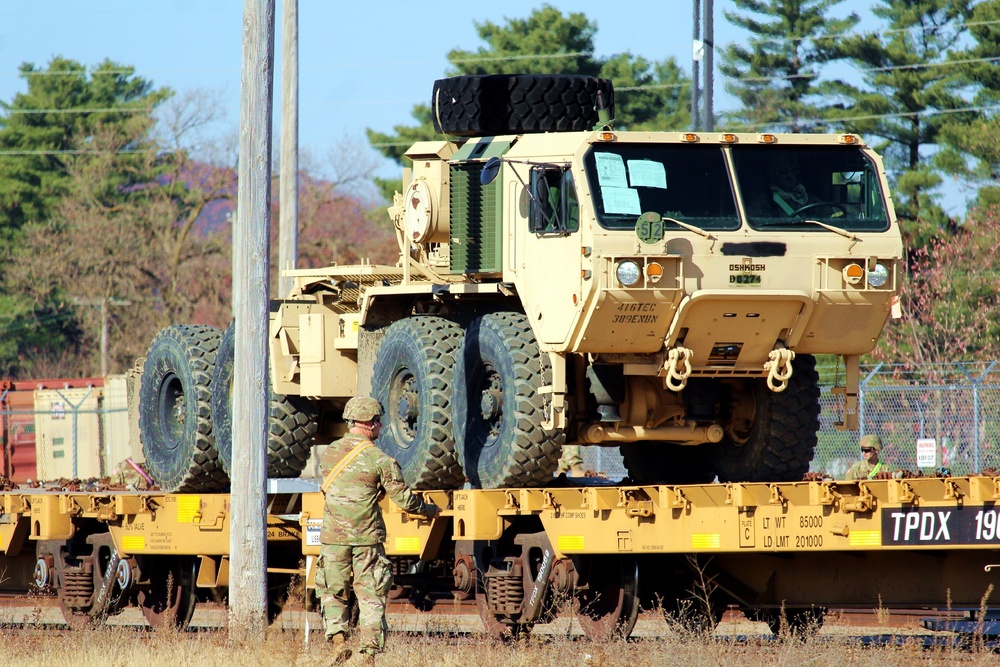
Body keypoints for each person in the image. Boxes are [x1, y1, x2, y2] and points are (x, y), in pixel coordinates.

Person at [315, 396, 440, 665]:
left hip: (332, 538)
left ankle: (338, 640)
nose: (381, 426)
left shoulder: (330, 454)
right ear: (370, 424)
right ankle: (368, 654)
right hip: (367, 540)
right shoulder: (381, 460)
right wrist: (430, 510)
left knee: (333, 590)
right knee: (370, 594)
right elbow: (405, 501)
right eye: (379, 421)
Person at [748, 154, 819, 217]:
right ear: (773, 174)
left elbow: (827, 217)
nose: (790, 175)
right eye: (784, 171)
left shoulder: (809, 198)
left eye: (794, 171)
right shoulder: (763, 201)